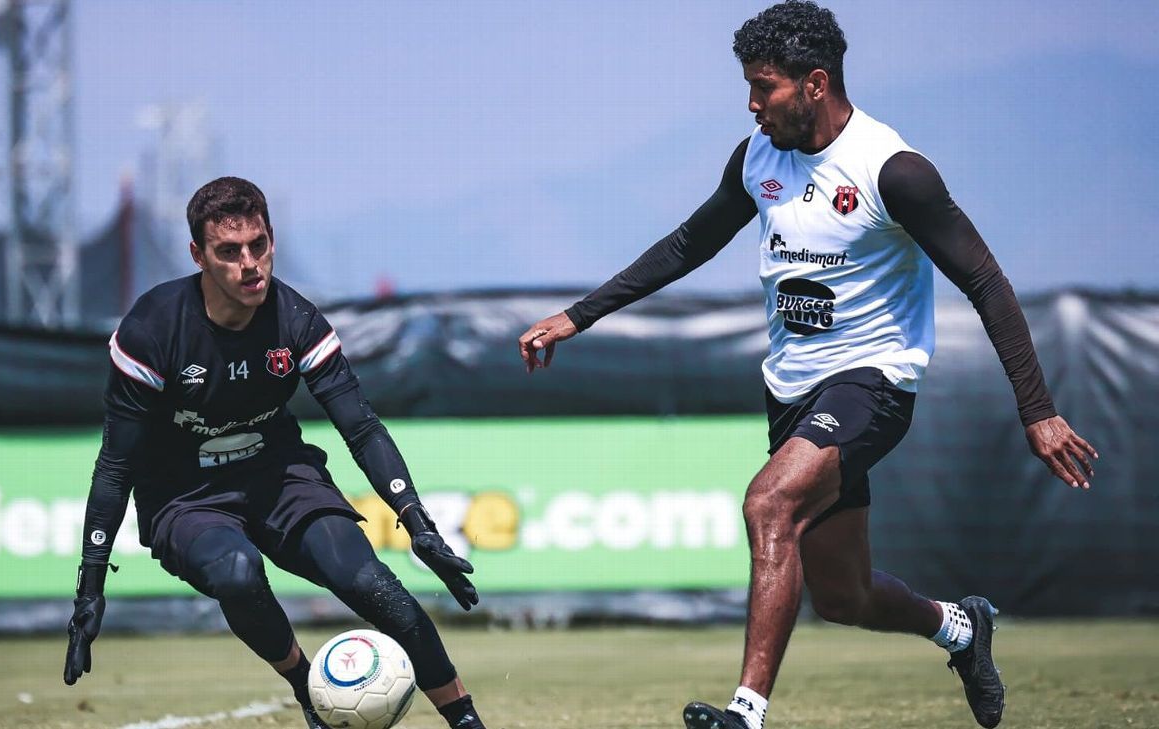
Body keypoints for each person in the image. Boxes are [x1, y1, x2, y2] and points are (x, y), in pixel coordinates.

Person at [517, 3, 1097, 728]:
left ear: (815, 84)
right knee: (844, 596)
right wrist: (579, 315)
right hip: (791, 386)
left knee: (768, 503)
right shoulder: (757, 156)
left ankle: (746, 713)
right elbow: (687, 243)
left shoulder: (893, 170)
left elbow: (986, 282)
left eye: (765, 87)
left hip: (871, 381)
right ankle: (959, 627)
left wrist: (1037, 409)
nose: (753, 105)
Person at [64, 176, 487, 729]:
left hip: (280, 475)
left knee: (371, 584)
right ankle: (307, 688)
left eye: (259, 245)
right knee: (237, 573)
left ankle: (467, 721)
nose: (249, 264)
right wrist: (90, 585)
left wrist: (418, 522)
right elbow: (116, 466)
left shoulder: (298, 320)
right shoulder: (150, 331)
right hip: (185, 496)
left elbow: (361, 428)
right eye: (229, 251)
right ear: (199, 256)